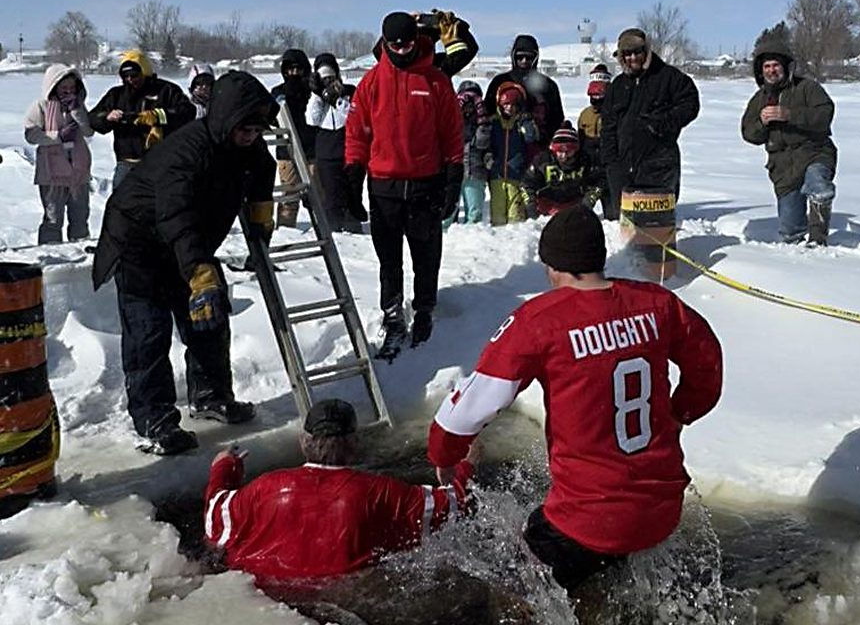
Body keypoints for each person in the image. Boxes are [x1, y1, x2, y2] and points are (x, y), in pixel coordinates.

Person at [427, 205, 723, 593]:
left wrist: (444, 457)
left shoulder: (539, 320)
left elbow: (464, 414)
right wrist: (679, 412)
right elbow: (707, 364)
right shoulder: (657, 303)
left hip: (588, 522)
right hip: (662, 508)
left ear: (552, 266)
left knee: (514, 580)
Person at [91, 71, 277, 456]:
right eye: (245, 128)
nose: (251, 136)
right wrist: (198, 271)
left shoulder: (249, 149)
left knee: (208, 316)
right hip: (139, 242)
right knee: (149, 332)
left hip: (188, 242)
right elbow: (176, 214)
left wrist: (260, 230)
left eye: (258, 129)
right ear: (227, 118)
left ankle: (211, 395)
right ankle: (154, 420)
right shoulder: (187, 152)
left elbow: (262, 175)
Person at [204, 398, 478, 580]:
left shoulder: (265, 488)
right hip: (343, 597)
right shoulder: (382, 493)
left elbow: (215, 521)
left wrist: (224, 467)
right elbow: (453, 505)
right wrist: (466, 464)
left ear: (304, 442)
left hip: (264, 595)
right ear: (355, 443)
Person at [345, 12, 464, 362]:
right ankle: (393, 314)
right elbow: (356, 133)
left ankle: (425, 308)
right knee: (389, 259)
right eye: (394, 45)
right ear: (384, 43)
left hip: (425, 183)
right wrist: (353, 175)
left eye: (407, 44)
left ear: (417, 41)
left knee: (426, 255)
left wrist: (453, 175)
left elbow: (452, 134)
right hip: (384, 185)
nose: (401, 50)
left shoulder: (436, 80)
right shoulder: (370, 82)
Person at [740, 34, 838, 246]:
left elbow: (825, 115)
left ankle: (818, 240)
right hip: (783, 166)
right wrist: (761, 123)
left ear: (786, 67)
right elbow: (748, 133)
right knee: (790, 232)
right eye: (767, 66)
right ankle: (793, 255)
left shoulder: (807, 88)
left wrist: (790, 114)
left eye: (776, 65)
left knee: (819, 186)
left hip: (814, 152)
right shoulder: (759, 99)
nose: (771, 70)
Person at [601, 28, 699, 210]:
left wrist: (662, 124)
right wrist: (610, 162)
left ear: (646, 52)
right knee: (623, 227)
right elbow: (608, 125)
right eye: (627, 54)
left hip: (659, 166)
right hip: (621, 169)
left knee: (655, 227)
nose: (633, 58)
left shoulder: (668, 77)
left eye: (637, 52)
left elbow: (690, 105)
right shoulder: (618, 85)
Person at [88, 49, 194, 190]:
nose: (130, 80)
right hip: (127, 163)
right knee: (121, 206)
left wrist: (158, 116)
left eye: (134, 75)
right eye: (126, 76)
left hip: (161, 162)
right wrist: (107, 118)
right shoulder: (117, 95)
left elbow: (187, 112)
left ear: (144, 72)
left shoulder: (166, 90)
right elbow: (93, 118)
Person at [24, 63, 93, 244]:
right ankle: (51, 255)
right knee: (53, 219)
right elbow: (31, 134)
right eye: (64, 88)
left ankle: (81, 255)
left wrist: (77, 111)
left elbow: (88, 132)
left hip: (78, 173)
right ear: (53, 86)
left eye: (72, 87)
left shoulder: (79, 106)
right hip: (51, 174)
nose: (68, 91)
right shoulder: (41, 106)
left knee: (80, 218)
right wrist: (57, 137)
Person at [306, 52, 366, 233]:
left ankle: (353, 223)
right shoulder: (316, 97)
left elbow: (353, 117)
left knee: (352, 190)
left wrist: (336, 99)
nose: (328, 82)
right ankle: (333, 227)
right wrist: (318, 96)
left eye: (331, 77)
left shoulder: (349, 91)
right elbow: (312, 119)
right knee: (331, 193)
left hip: (348, 147)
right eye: (324, 79)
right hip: (326, 150)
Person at [483, 34, 564, 152]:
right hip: (504, 146)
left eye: (529, 57)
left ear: (536, 58)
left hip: (537, 149)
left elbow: (556, 119)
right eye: (520, 57)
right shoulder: (500, 82)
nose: (524, 61)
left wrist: (544, 138)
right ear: (513, 57)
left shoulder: (548, 85)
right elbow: (487, 113)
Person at [271, 49, 318, 229]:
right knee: (289, 196)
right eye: (290, 70)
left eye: (298, 69)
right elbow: (272, 118)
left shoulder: (312, 91)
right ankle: (285, 230)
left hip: (311, 149)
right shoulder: (278, 92)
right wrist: (287, 97)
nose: (294, 73)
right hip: (287, 151)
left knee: (317, 196)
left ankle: (325, 230)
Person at [482, 81, 538, 225]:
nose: (509, 108)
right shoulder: (493, 122)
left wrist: (527, 122)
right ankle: (498, 236)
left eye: (513, 105)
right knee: (498, 210)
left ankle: (516, 238)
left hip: (515, 173)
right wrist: (488, 157)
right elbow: (486, 142)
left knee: (515, 212)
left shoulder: (521, 123)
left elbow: (531, 138)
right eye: (506, 105)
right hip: (496, 173)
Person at [522, 121, 606, 217]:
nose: (564, 155)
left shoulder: (586, 160)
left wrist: (588, 202)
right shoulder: (542, 160)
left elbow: (599, 183)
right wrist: (531, 206)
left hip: (576, 205)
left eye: (568, 151)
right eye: (560, 151)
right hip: (547, 206)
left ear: (576, 149)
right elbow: (526, 184)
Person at [371, 9, 480, 79]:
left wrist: (406, 26)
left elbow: (380, 51)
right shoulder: (438, 71)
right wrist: (452, 25)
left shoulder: (397, 67)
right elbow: (470, 49)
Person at [445, 80, 489, 227]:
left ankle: (470, 243)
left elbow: (485, 143)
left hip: (476, 170)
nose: (469, 106)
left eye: (474, 99)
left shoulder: (485, 123)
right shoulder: (449, 121)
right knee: (447, 214)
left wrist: (482, 122)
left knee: (474, 215)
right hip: (452, 172)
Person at [577, 64, 614, 219]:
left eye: (600, 95)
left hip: (609, 166)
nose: (596, 99)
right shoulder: (585, 115)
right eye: (593, 96)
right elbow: (579, 139)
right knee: (583, 208)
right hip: (589, 166)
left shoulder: (614, 113)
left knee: (613, 214)